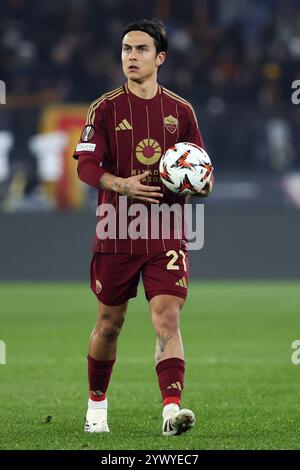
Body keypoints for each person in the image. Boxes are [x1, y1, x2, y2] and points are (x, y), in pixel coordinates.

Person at [73, 18, 213, 437]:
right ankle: (97, 405)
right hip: (117, 228)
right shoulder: (105, 108)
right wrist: (122, 185)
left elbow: (202, 169)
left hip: (166, 229)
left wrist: (200, 185)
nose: (131, 57)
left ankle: (172, 410)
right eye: (126, 50)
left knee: (167, 317)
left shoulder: (181, 111)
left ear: (160, 58)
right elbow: (86, 166)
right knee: (109, 323)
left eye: (140, 50)